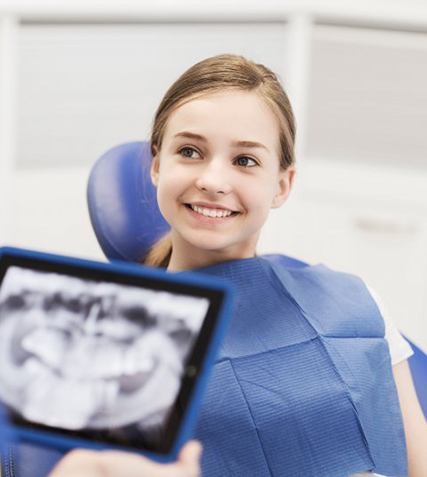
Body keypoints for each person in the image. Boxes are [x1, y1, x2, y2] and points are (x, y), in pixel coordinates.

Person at [9, 53, 426, 477]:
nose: (213, 180)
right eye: (190, 151)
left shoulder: (355, 303)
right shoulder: (101, 349)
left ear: (282, 184)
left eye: (245, 161)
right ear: (157, 165)